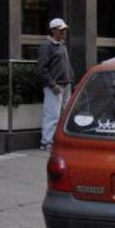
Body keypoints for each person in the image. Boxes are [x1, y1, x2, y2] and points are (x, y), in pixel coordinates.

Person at [37, 18, 74, 150]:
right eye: (61, 29)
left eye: (64, 30)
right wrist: (53, 85)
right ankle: (46, 142)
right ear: (53, 30)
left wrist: (70, 80)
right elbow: (42, 68)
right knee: (52, 115)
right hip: (56, 85)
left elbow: (65, 66)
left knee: (63, 114)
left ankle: (56, 140)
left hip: (65, 84)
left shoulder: (61, 44)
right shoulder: (47, 46)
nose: (63, 32)